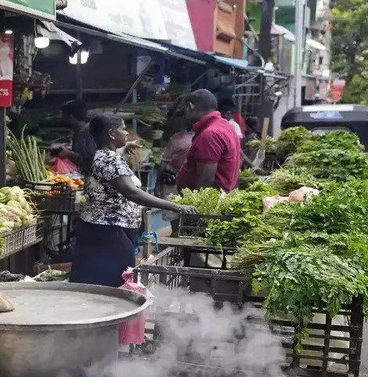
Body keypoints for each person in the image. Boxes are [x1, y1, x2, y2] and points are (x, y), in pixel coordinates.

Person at [70, 115, 197, 287]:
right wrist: (174, 206)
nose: (127, 133)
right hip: (109, 233)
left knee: (97, 282)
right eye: (123, 129)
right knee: (116, 282)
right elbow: (132, 192)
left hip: (100, 230)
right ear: (111, 134)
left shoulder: (99, 155)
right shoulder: (110, 160)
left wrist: (123, 146)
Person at [177, 90, 243, 193]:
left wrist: (194, 201)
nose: (184, 114)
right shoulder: (225, 126)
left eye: (184, 109)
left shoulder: (210, 134)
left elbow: (205, 181)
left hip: (209, 199)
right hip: (221, 195)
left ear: (190, 107)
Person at [50, 100, 94, 171]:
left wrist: (69, 154)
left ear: (71, 117)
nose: (62, 119)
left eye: (63, 115)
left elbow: (90, 160)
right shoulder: (78, 131)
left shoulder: (87, 133)